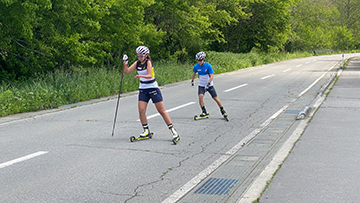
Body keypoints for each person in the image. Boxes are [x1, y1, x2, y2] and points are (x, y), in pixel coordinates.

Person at [122, 46, 180, 144]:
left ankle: (173, 131)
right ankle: (146, 131)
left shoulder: (148, 62)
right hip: (143, 89)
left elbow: (150, 75)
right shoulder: (137, 63)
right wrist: (125, 62)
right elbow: (126, 71)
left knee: (161, 110)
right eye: (138, 55)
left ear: (145, 55)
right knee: (141, 110)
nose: (139, 57)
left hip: (153, 88)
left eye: (141, 55)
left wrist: (140, 75)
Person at [191, 51, 228, 120]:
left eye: (201, 60)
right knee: (200, 96)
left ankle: (222, 110)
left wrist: (208, 83)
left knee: (215, 98)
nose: (199, 62)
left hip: (209, 85)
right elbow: (194, 73)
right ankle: (204, 112)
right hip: (201, 85)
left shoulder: (208, 66)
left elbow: (211, 76)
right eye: (198, 60)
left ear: (204, 59)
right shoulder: (196, 66)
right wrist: (192, 81)